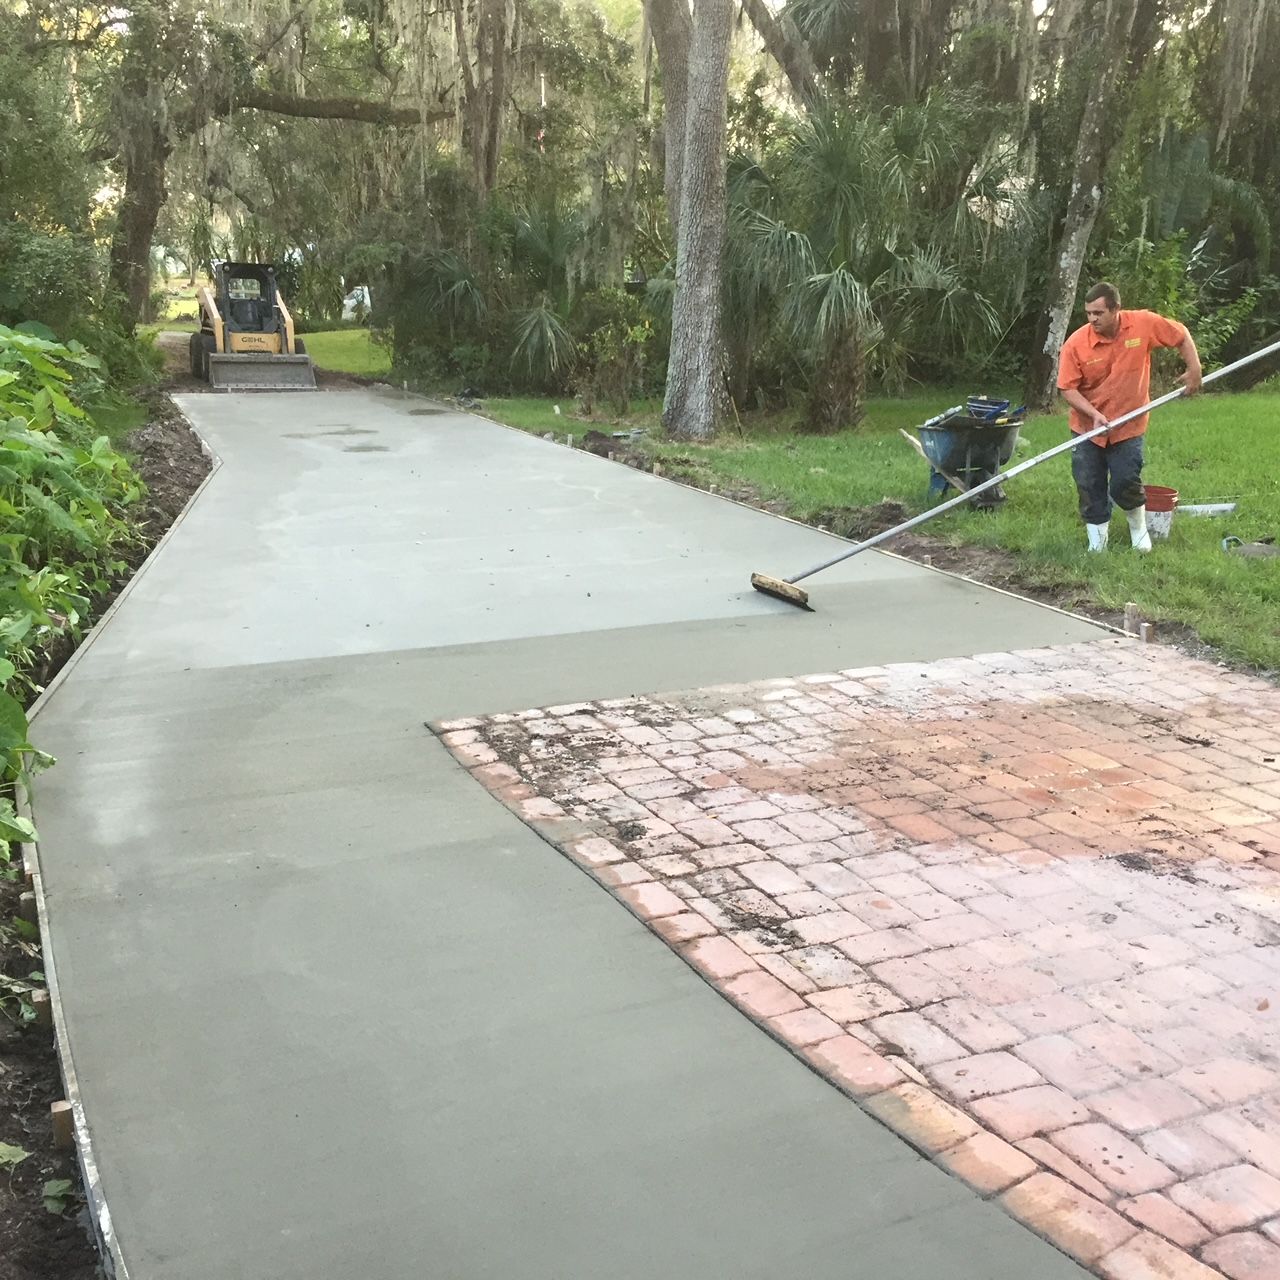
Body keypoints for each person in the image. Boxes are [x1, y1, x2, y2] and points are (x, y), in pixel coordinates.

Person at [1057, 282, 1202, 552]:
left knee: (1125, 479)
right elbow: (1067, 388)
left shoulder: (1143, 324)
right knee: (1089, 482)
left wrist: (1194, 369)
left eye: (1099, 313)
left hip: (1129, 424)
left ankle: (1138, 530)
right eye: (1088, 313)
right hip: (1088, 427)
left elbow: (1180, 335)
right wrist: (1094, 414)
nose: (1092, 319)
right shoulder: (1076, 344)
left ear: (1116, 309)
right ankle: (1097, 544)